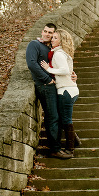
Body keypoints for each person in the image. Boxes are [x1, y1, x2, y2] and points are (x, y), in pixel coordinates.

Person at [26, 23, 69, 159]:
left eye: (50, 33)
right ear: (42, 31)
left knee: (58, 115)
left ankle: (66, 143)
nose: (47, 34)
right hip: (44, 86)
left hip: (54, 85)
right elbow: (32, 63)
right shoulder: (34, 45)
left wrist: (72, 75)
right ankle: (54, 149)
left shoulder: (51, 48)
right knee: (52, 117)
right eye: (45, 31)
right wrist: (46, 79)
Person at [41, 29, 79, 159]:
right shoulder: (63, 52)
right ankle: (76, 141)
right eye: (52, 38)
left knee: (66, 120)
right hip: (70, 88)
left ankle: (70, 149)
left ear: (61, 40)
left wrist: (48, 69)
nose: (52, 40)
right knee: (64, 118)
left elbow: (64, 70)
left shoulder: (59, 54)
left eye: (55, 38)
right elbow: (69, 71)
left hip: (66, 90)